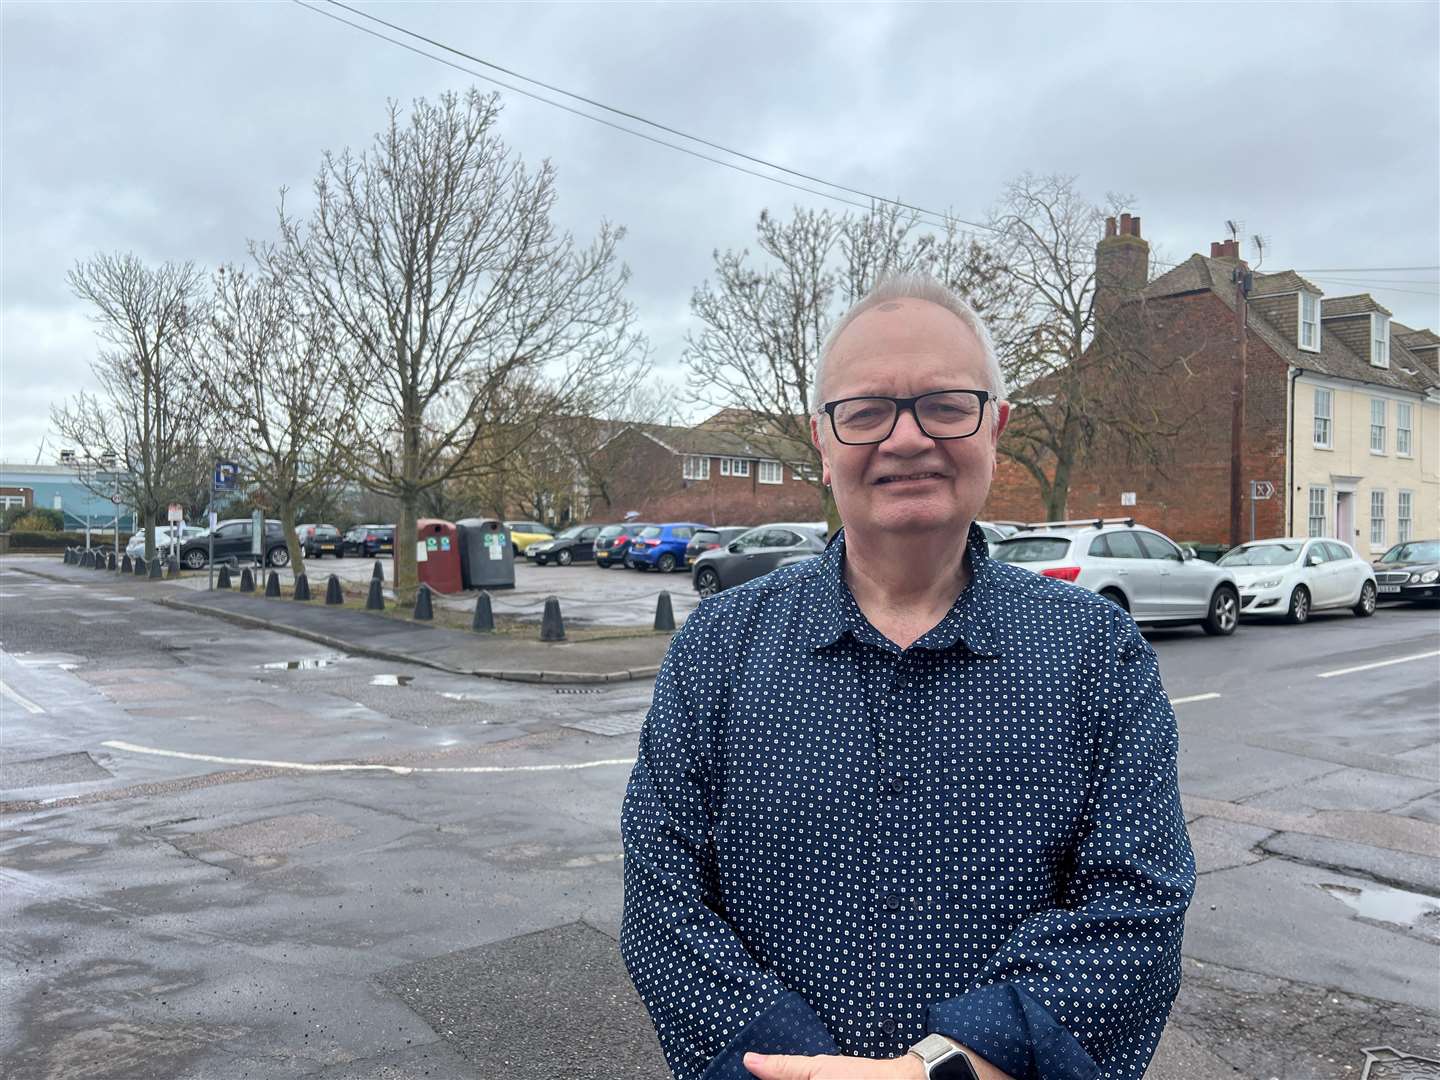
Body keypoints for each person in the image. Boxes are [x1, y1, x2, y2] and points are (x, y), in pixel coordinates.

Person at [620, 275, 1195, 1080]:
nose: (906, 438)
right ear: (821, 441)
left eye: (946, 404)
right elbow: (661, 897)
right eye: (865, 412)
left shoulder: (1095, 652)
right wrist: (804, 1071)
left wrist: (945, 1068)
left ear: (996, 425)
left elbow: (1136, 902)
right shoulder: (719, 645)